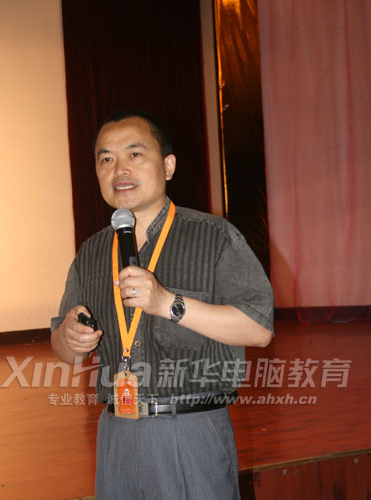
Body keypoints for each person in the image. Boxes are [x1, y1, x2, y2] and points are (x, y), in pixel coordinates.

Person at [51, 110, 274, 500]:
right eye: (106, 159)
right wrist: (70, 338)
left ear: (168, 166)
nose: (119, 169)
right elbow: (64, 351)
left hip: (190, 431)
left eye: (135, 154)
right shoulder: (91, 253)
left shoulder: (214, 237)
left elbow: (259, 329)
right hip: (117, 433)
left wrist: (168, 303)